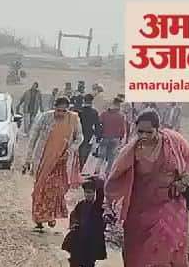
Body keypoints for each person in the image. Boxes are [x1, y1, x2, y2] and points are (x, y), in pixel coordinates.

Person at [105, 110, 189, 267]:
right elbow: (116, 173)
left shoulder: (173, 140)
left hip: (169, 199)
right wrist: (109, 198)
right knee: (136, 237)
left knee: (165, 234)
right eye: (140, 132)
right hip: (141, 199)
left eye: (149, 132)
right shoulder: (133, 149)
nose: (144, 136)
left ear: (158, 129)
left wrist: (185, 179)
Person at [24, 97, 83, 232]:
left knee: (56, 189)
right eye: (58, 110)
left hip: (61, 162)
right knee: (40, 190)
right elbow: (33, 137)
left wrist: (70, 150)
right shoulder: (45, 117)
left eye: (64, 111)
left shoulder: (73, 118)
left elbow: (79, 138)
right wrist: (28, 158)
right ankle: (39, 220)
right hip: (43, 160)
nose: (61, 114)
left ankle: (51, 215)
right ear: (54, 108)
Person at [63, 177, 110, 267]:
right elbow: (74, 216)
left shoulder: (98, 206)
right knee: (74, 261)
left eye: (91, 192)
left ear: (95, 193)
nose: (89, 195)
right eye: (87, 192)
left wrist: (97, 180)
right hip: (79, 239)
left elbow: (102, 193)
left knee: (89, 264)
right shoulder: (81, 205)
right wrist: (74, 224)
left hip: (93, 241)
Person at [97, 96, 129, 174]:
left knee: (101, 156)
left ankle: (97, 169)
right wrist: (121, 138)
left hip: (104, 137)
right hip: (115, 138)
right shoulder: (121, 116)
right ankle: (108, 171)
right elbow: (123, 129)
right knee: (112, 157)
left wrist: (98, 136)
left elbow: (99, 124)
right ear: (119, 105)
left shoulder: (104, 114)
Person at [76, 93, 101, 168]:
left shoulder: (79, 111)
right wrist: (98, 135)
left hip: (79, 132)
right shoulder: (94, 112)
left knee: (79, 150)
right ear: (92, 101)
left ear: (84, 100)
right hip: (89, 133)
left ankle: (78, 165)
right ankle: (82, 166)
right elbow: (97, 124)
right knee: (86, 150)